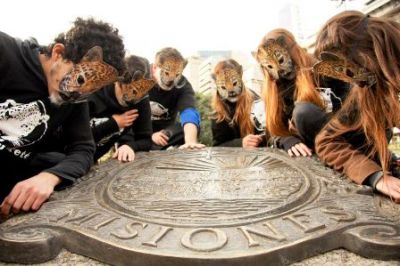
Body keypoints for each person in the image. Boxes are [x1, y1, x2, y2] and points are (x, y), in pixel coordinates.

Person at [0, 18, 126, 215]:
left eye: (91, 89)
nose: (78, 93)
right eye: (79, 79)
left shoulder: (74, 100)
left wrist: (50, 177)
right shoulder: (6, 53)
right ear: (59, 53)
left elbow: (83, 149)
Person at [313, 10, 400, 202]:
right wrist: (374, 175)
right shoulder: (366, 89)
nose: (348, 77)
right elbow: (326, 141)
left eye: (347, 67)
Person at [253, 29, 325, 157]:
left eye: (281, 60)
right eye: (270, 66)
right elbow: (272, 132)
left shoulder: (321, 71)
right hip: (309, 153)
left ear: (292, 52)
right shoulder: (275, 87)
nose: (279, 70)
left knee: (304, 112)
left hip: (338, 143)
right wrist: (287, 140)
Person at [88, 55, 154, 162]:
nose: (132, 98)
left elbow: (146, 140)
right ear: (117, 82)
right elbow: (76, 136)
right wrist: (114, 123)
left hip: (91, 160)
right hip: (65, 154)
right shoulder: (93, 93)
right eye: (127, 90)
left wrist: (130, 146)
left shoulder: (141, 99)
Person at [149, 47, 204, 150]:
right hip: (140, 133)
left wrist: (190, 142)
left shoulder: (183, 84)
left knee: (192, 127)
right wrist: (149, 136)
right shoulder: (140, 78)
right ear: (155, 67)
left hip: (164, 134)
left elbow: (189, 111)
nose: (171, 79)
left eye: (177, 74)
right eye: (166, 73)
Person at [211, 59, 266, 147]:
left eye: (234, 83)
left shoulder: (256, 101)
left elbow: (268, 134)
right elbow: (217, 146)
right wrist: (240, 143)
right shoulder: (217, 112)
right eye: (223, 86)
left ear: (240, 75)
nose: (230, 91)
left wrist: (259, 139)